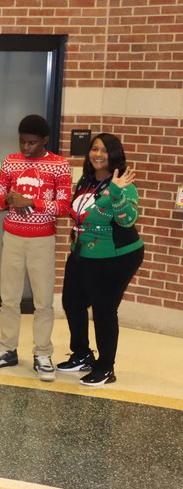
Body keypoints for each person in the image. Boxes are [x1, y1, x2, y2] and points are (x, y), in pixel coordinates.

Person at [0, 115, 72, 380]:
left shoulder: (59, 165)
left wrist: (31, 202)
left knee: (43, 301)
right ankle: (7, 349)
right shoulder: (11, 161)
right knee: (9, 298)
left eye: (32, 142)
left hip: (42, 240)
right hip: (13, 237)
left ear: (45, 140)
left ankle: (42, 352)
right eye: (22, 141)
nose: (26, 147)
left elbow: (64, 206)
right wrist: (11, 200)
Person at [57, 134, 143, 386]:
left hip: (116, 255)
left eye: (104, 150)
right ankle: (82, 354)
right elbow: (80, 214)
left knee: (104, 309)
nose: (98, 154)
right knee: (72, 302)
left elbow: (127, 220)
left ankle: (106, 367)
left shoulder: (123, 182)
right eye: (94, 149)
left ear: (114, 154)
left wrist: (115, 191)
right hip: (83, 252)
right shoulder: (86, 180)